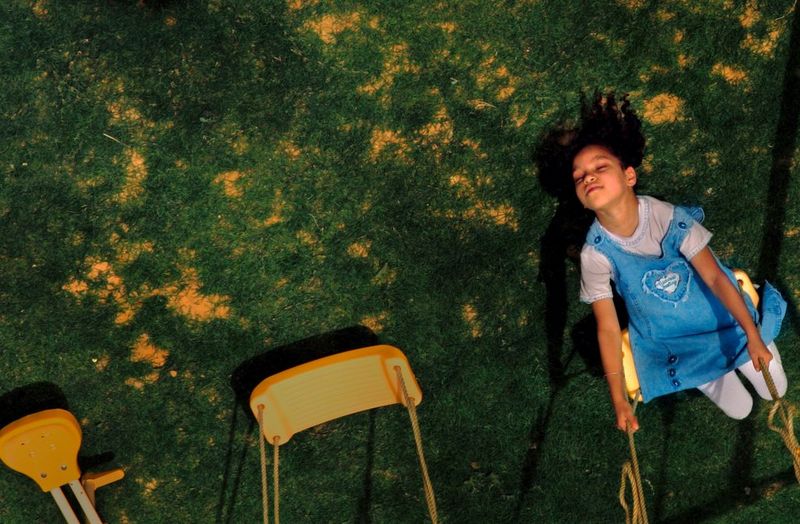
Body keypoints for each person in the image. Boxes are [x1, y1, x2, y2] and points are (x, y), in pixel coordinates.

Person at [566, 92, 787, 432]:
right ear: (580, 198)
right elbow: (608, 327)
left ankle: (736, 348)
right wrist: (619, 400)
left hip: (724, 319)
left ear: (629, 177)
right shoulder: (594, 254)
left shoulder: (668, 218)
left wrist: (752, 334)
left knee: (777, 390)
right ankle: (704, 368)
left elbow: (714, 279)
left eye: (599, 167)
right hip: (675, 343)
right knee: (740, 409)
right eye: (579, 175)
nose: (588, 177)